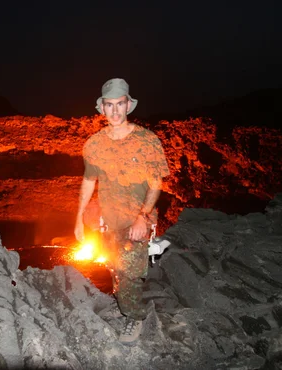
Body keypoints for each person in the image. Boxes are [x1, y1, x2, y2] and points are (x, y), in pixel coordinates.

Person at [74, 78, 170, 344]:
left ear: (129, 105)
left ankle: (135, 317)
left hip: (138, 218)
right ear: (101, 109)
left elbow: (155, 183)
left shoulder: (147, 140)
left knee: (128, 272)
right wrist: (79, 219)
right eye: (109, 105)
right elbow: (89, 181)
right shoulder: (94, 144)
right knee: (115, 268)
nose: (115, 111)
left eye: (120, 104)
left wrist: (143, 216)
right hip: (110, 220)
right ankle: (126, 303)